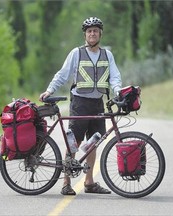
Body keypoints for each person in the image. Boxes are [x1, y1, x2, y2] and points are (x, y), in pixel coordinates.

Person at [39, 17, 122, 195]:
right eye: (89, 31)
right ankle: (66, 183)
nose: (92, 33)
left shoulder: (108, 55)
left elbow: (114, 76)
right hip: (80, 103)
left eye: (95, 30)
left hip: (98, 103)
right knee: (74, 143)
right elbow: (63, 74)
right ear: (85, 34)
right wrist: (49, 90)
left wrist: (117, 91)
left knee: (93, 143)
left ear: (100, 33)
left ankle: (89, 182)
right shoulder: (76, 53)